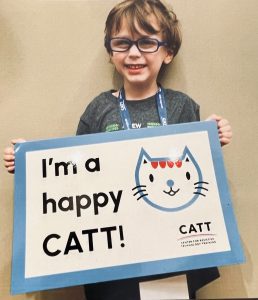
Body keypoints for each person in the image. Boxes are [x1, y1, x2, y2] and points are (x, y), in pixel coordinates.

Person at [4, 0, 232, 299]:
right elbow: (72, 178)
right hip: (112, 259)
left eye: (147, 42)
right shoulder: (100, 108)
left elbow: (197, 176)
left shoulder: (181, 106)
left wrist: (213, 137)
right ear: (111, 52)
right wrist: (30, 164)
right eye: (122, 43)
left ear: (168, 52)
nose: (134, 53)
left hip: (169, 257)